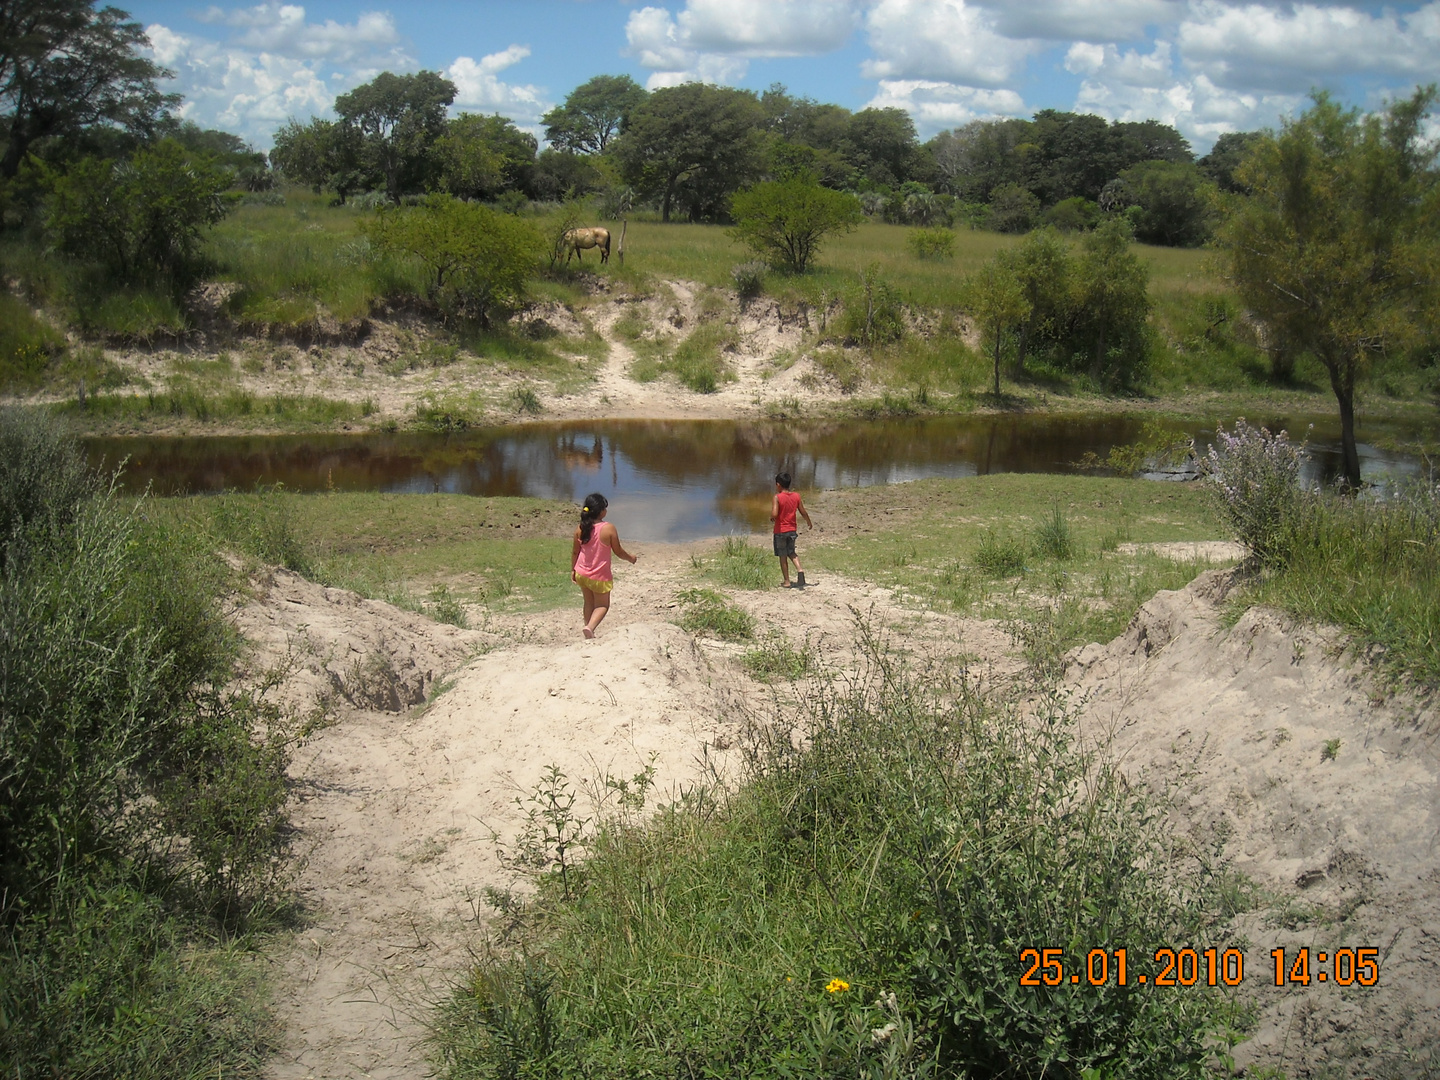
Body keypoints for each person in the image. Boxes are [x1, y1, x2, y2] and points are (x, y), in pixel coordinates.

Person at [571, 492, 637, 638]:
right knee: (602, 605)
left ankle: (587, 629)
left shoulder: (580, 528)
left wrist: (572, 570)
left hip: (581, 573)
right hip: (599, 576)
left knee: (588, 602)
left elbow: (575, 552)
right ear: (601, 511)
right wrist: (631, 558)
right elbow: (618, 551)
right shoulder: (608, 528)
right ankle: (590, 627)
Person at [770, 472, 812, 588]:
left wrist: (772, 517)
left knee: (783, 556)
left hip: (780, 531)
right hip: (792, 530)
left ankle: (787, 581)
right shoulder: (796, 496)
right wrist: (808, 521)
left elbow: (774, 513)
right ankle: (800, 570)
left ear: (778, 485)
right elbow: (803, 511)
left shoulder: (777, 497)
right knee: (792, 552)